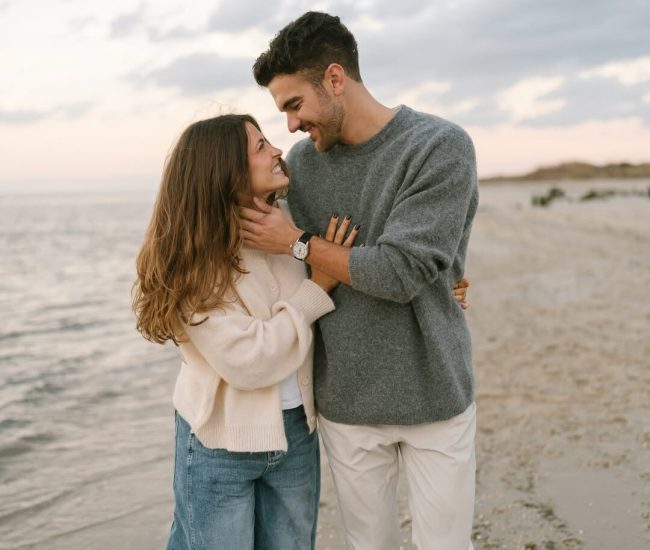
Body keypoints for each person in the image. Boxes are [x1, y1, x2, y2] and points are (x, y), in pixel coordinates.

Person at [239, 11, 479, 550]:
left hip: (435, 390)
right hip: (347, 402)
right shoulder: (299, 166)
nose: (292, 126)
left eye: (294, 105)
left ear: (334, 78)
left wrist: (299, 242)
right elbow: (232, 220)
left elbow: (402, 272)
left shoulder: (439, 146)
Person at [132, 114, 362, 549]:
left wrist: (444, 282)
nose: (277, 150)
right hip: (219, 442)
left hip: (296, 433)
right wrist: (317, 288)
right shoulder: (193, 261)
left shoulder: (291, 229)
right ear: (226, 170)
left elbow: (367, 261)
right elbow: (250, 361)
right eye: (260, 146)